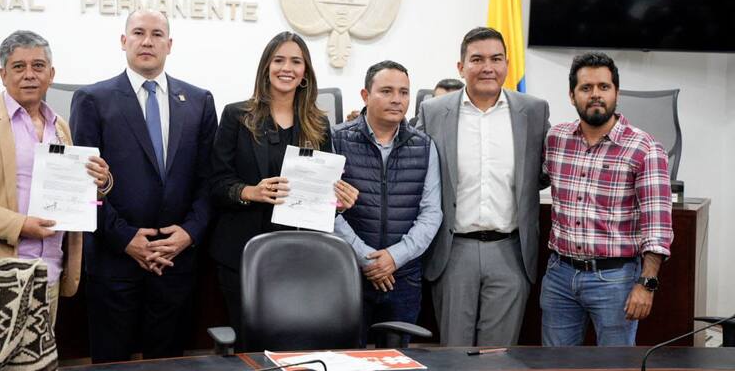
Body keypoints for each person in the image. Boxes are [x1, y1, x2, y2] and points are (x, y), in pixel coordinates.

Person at [0, 30, 111, 344]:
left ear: (51, 74)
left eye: (38, 66)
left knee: (39, 365)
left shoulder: (60, 126)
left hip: (49, 273)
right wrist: (19, 225)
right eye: (19, 67)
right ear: (3, 74)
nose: (30, 75)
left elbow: (74, 197)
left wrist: (99, 184)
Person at [69, 9, 218, 362]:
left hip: (175, 260)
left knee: (168, 363)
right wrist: (125, 238)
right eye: (138, 32)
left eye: (156, 34)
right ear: (124, 42)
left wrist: (189, 233)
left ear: (170, 44)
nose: (147, 41)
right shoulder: (93, 100)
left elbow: (209, 180)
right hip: (114, 261)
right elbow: (81, 185)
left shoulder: (199, 101)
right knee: (111, 364)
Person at [208, 31, 358, 337]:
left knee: (294, 342)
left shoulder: (317, 124)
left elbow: (324, 195)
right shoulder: (237, 116)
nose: (286, 68)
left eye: (295, 61)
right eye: (278, 60)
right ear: (266, 67)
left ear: (305, 73)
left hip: (300, 255)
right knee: (248, 344)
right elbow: (215, 184)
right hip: (242, 254)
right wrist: (251, 192)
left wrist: (338, 202)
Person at [417, 26, 550, 346]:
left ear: (507, 64)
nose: (487, 67)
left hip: (511, 251)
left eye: (496, 58)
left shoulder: (533, 110)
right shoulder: (433, 111)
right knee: (454, 354)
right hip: (453, 251)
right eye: (477, 59)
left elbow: (545, 172)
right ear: (461, 67)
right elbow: (417, 171)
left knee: (498, 356)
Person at [541, 52, 673, 346]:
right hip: (559, 277)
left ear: (617, 92)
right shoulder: (556, 140)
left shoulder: (644, 148)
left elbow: (658, 228)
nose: (595, 95)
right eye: (586, 88)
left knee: (615, 366)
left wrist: (647, 284)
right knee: (553, 367)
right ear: (572, 95)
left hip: (615, 280)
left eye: (603, 87)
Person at [332, 60, 442, 346]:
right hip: (349, 273)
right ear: (365, 96)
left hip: (402, 277)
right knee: (345, 359)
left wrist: (394, 257)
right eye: (387, 91)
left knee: (398, 360)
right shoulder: (336, 139)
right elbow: (326, 210)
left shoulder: (425, 145)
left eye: (404, 92)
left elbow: (431, 214)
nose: (397, 99)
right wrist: (367, 259)